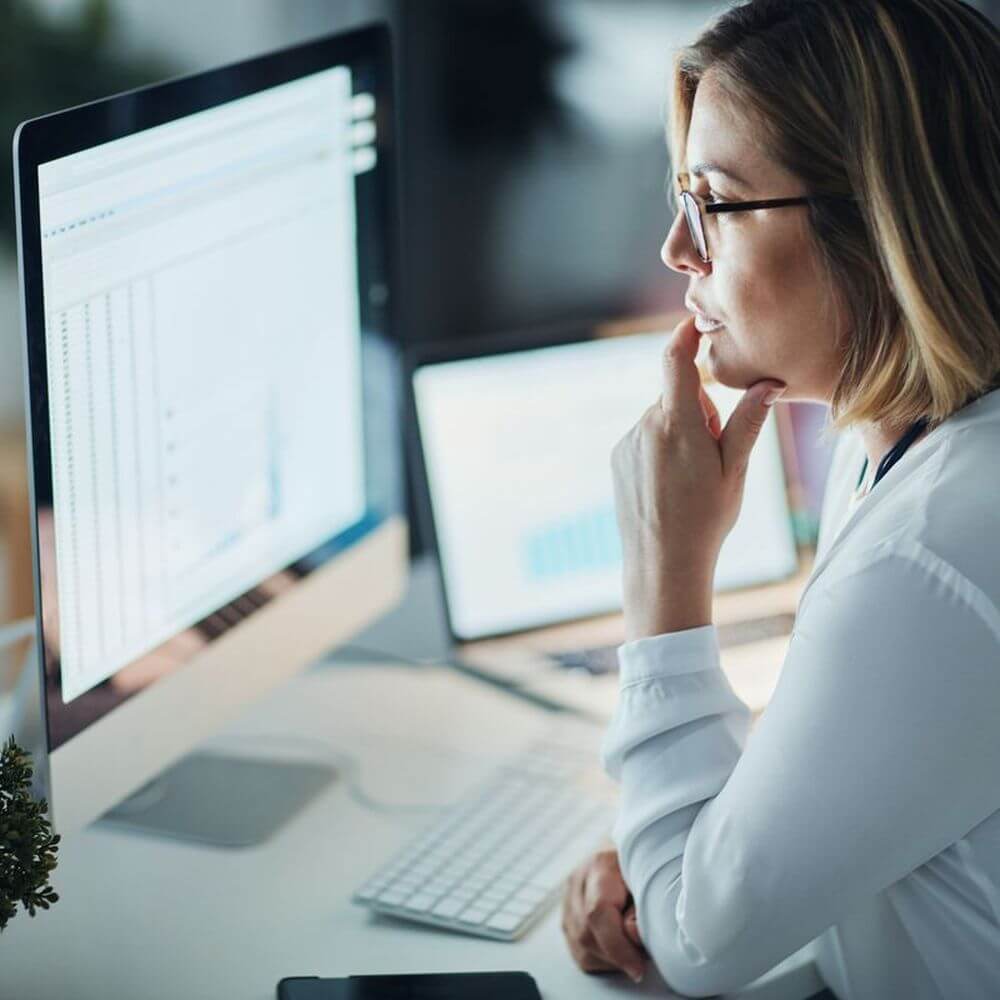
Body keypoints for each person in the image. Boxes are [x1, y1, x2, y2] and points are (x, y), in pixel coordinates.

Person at [560, 1, 1000, 997]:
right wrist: (677, 846)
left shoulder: (928, 554)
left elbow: (691, 948)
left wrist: (666, 575)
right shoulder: (904, 434)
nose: (678, 249)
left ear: (876, 221)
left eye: (714, 201)